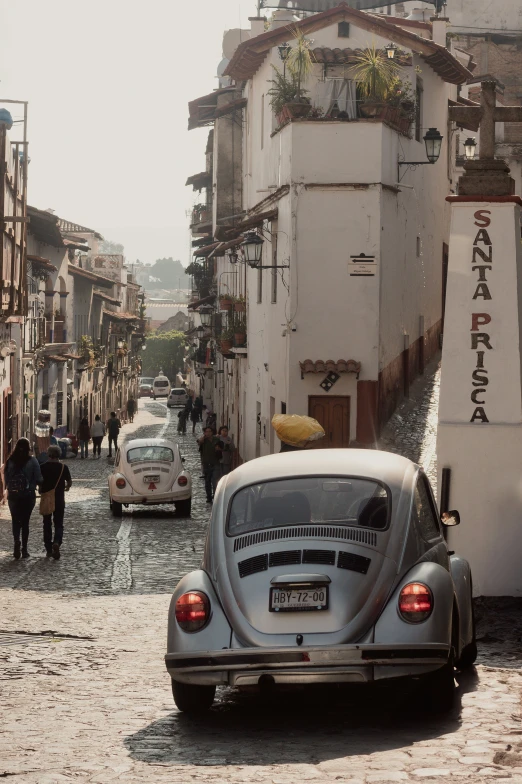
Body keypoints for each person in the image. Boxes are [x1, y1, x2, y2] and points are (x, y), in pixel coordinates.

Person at [4, 438, 43, 559]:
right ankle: (24, 549)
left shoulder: (10, 461)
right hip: (28, 495)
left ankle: (16, 540)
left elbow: (6, 479)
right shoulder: (32, 461)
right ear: (28, 448)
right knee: (25, 522)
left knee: (15, 520)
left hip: (13, 495)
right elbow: (39, 478)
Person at [40, 444, 72, 560]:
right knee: (59, 523)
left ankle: (48, 549)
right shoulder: (63, 467)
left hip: (46, 499)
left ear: (49, 454)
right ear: (58, 455)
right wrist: (66, 487)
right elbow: (69, 482)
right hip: (59, 499)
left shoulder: (42, 467)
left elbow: (39, 481)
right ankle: (57, 542)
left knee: (46, 523)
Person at [198, 426, 221, 503]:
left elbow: (222, 446)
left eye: (209, 431)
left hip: (215, 463)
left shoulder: (216, 439)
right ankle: (209, 497)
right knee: (207, 481)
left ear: (212, 432)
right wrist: (203, 437)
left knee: (215, 481)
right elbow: (199, 442)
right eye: (206, 432)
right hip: (206, 464)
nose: (208, 433)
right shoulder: (203, 440)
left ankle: (216, 495)